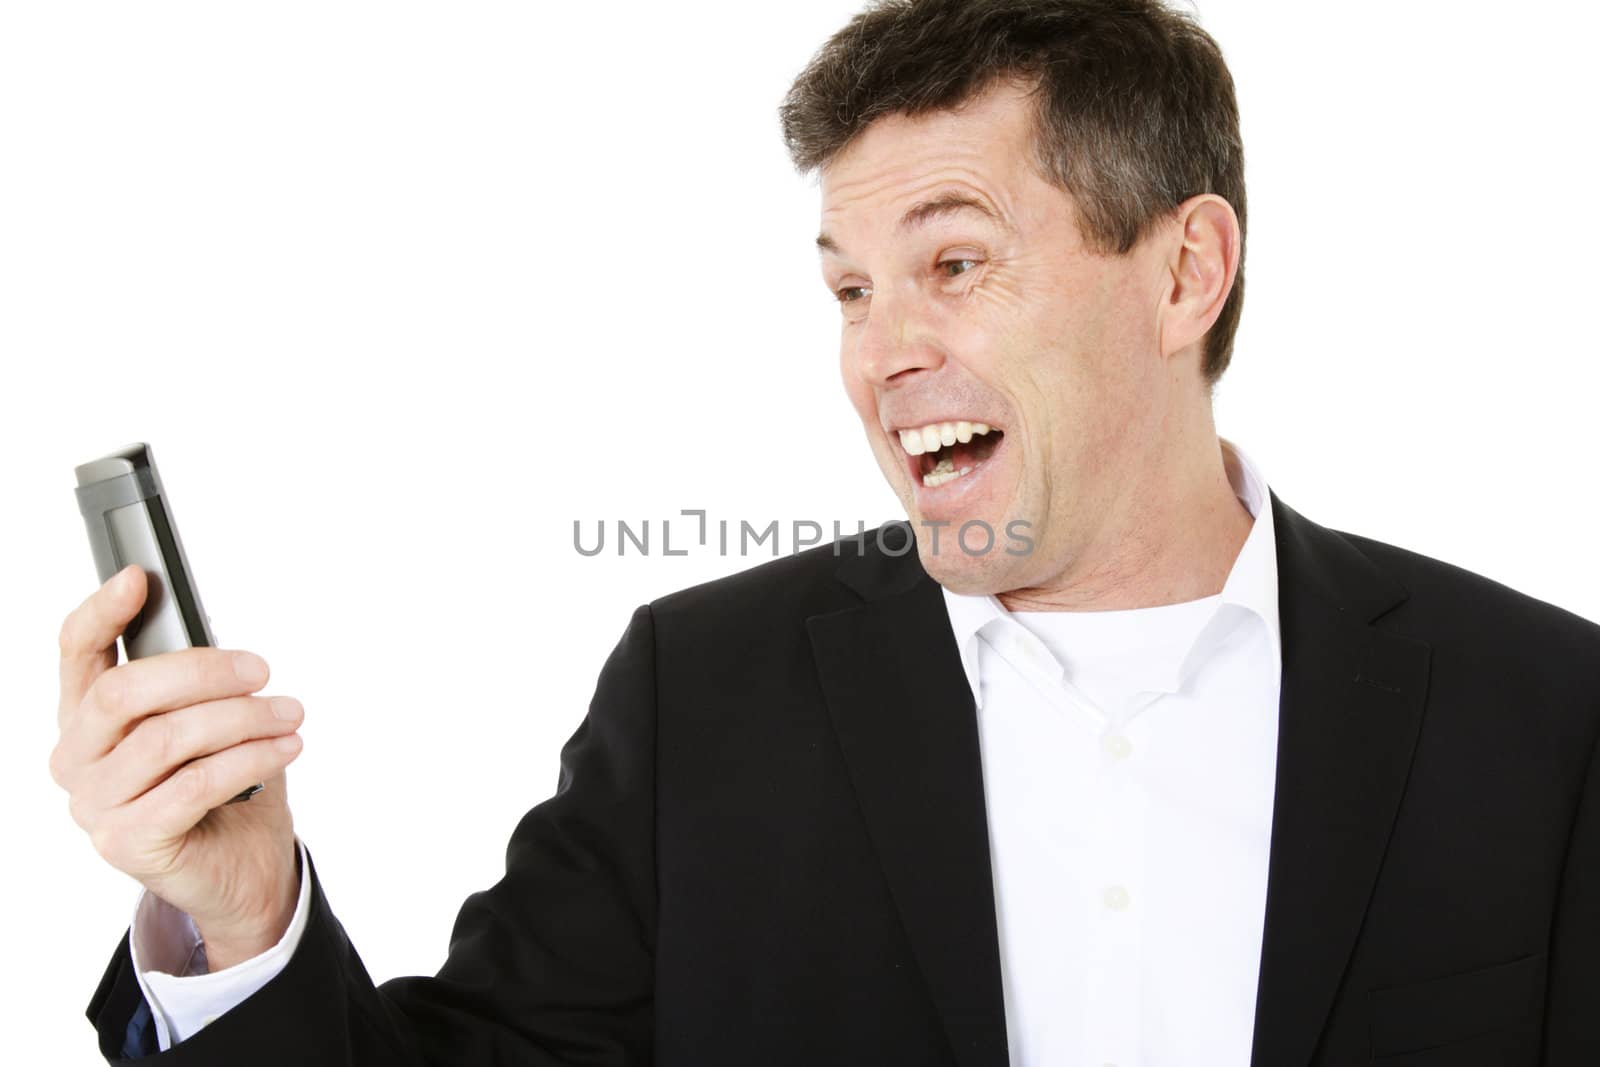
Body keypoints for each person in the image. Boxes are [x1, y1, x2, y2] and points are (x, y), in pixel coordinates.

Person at [54, 0, 1600, 1063]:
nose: (881, 355)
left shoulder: (1542, 715)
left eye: (955, 263)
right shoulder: (705, 696)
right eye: (851, 290)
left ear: (1185, 272)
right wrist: (242, 913)